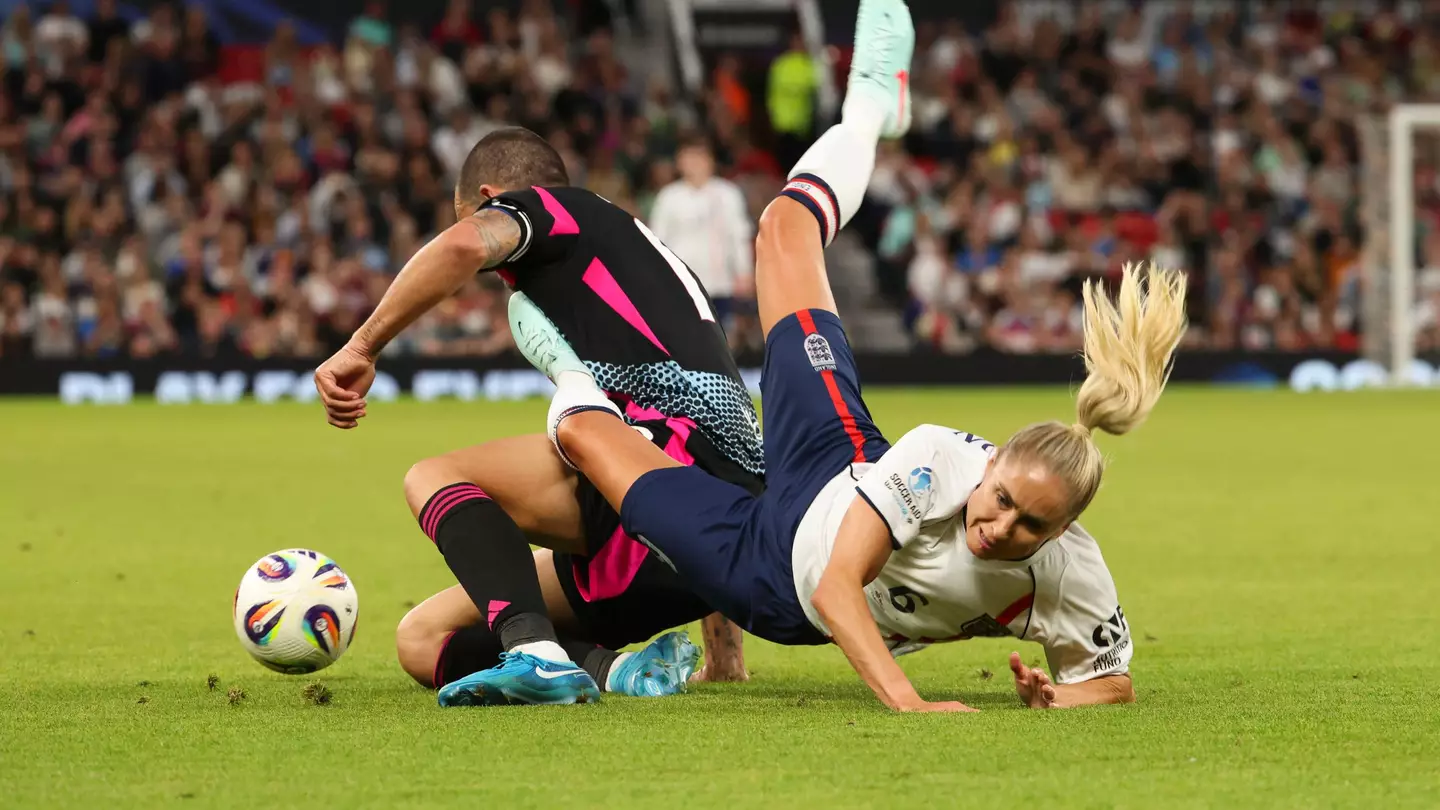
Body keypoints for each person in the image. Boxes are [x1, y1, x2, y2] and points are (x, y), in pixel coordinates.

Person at [491, 0, 1186, 711]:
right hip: (838, 463)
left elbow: (1110, 684)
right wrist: (908, 702)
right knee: (782, 228)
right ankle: (870, 109)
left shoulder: (1073, 571)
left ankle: (568, 368)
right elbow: (842, 583)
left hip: (769, 572)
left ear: (1063, 531)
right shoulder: (940, 458)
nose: (1001, 526)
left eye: (1031, 526)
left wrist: (1055, 700)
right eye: (1003, 498)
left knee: (586, 434)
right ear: (992, 464)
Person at [313, 126, 764, 704]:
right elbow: (713, 440)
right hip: (714, 548)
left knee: (434, 476)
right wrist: (725, 654)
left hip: (651, 503)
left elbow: (462, 247)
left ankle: (536, 652)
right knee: (421, 639)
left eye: (467, 214)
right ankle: (614, 671)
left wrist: (361, 347)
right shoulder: (646, 265)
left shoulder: (561, 210)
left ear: (492, 195)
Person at [648, 135, 754, 339]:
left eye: (700, 157)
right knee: (686, 340)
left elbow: (739, 235)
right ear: (680, 162)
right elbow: (656, 242)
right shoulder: (668, 197)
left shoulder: (728, 194)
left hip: (720, 283)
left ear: (710, 160)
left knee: (723, 340)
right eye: (689, 157)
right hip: (681, 286)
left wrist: (744, 271)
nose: (694, 163)